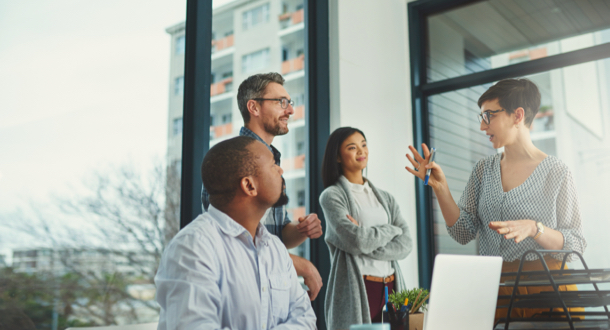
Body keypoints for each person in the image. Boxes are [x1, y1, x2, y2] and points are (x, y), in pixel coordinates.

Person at [405, 78, 586, 322]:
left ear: (517, 115)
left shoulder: (557, 171)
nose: (482, 126)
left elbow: (576, 245)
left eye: (489, 115)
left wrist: (535, 228)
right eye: (481, 116)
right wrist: (440, 188)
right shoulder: (483, 170)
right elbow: (462, 232)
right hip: (493, 292)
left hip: (547, 292)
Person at [155, 136, 317, 329]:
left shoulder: (275, 248)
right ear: (249, 186)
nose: (281, 170)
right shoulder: (192, 248)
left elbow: (306, 320)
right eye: (273, 165)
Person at [201, 72, 324, 301]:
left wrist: (301, 230)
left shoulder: (274, 163)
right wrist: (299, 264)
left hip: (271, 286)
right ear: (254, 108)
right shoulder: (230, 160)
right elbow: (234, 241)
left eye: (290, 103)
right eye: (281, 102)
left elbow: (277, 235)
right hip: (241, 291)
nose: (290, 110)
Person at [319, 127, 413, 330]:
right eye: (352, 147)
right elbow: (357, 241)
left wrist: (365, 239)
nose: (361, 151)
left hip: (391, 286)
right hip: (360, 286)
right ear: (337, 156)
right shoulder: (332, 196)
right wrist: (391, 230)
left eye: (363, 144)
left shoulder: (386, 198)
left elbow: (406, 245)